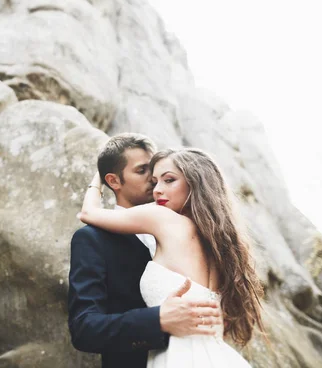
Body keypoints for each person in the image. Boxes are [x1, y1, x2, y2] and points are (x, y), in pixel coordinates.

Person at [77, 147, 265, 367]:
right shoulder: (220, 244)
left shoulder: (162, 218)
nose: (157, 190)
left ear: (196, 182)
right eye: (155, 182)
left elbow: (87, 213)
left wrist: (98, 178)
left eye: (169, 180)